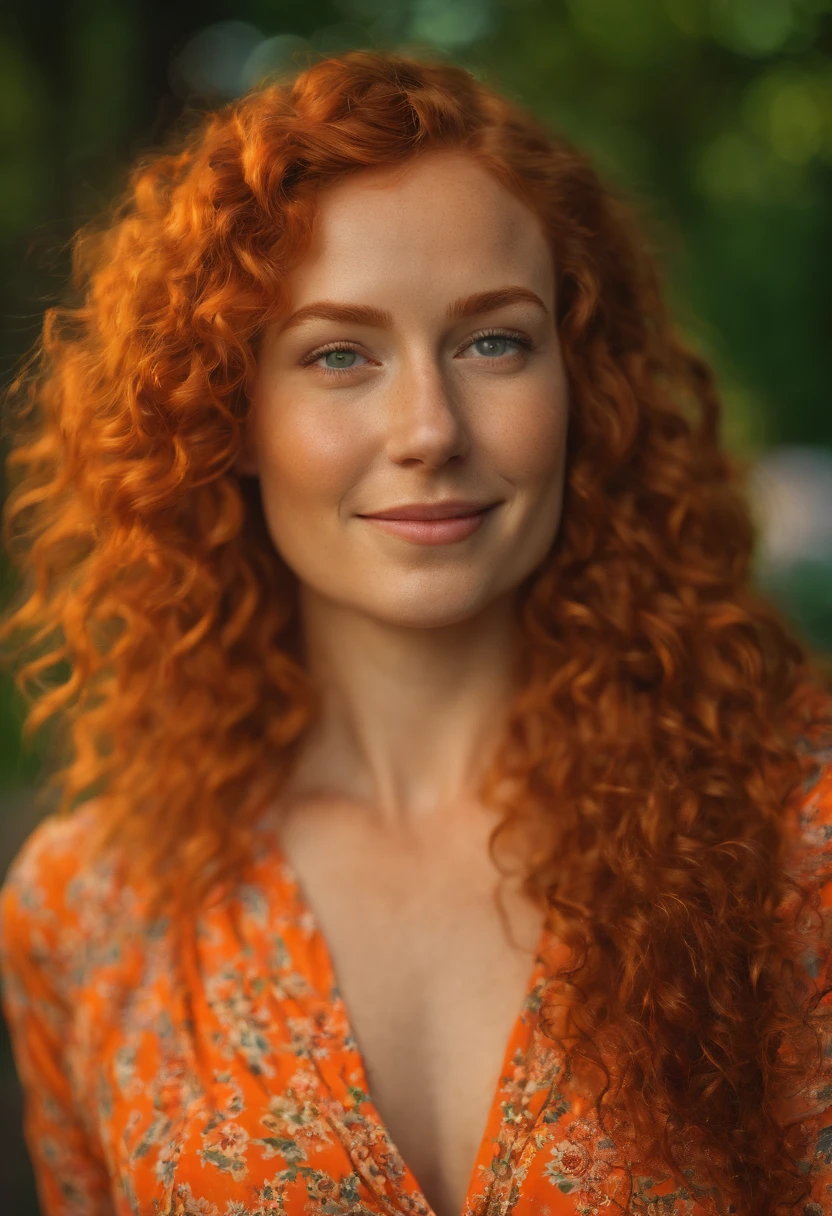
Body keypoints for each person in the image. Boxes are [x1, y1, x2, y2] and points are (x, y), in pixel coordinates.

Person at [0, 49, 830, 1216]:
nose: (429, 427)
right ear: (227, 411)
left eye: (493, 341)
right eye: (339, 354)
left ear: (581, 381)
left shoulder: (794, 832)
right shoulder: (90, 910)